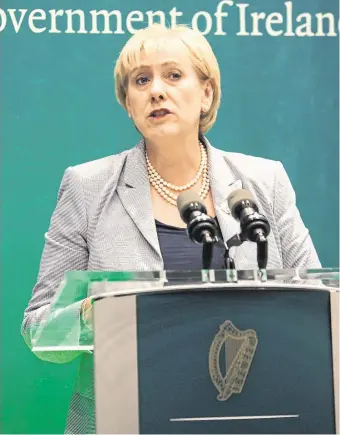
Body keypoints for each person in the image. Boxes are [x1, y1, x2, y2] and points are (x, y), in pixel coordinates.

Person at [21, 23, 321, 434]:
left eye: (174, 75)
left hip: (250, 415)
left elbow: (319, 308)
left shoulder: (263, 181)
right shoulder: (87, 187)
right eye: (141, 80)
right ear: (128, 103)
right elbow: (39, 327)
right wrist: (99, 312)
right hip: (125, 420)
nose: (156, 91)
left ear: (206, 94)